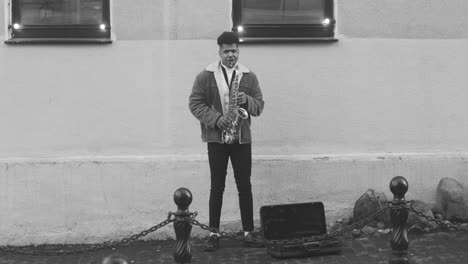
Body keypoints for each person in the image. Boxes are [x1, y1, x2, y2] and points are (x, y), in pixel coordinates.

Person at [189, 31, 264, 251]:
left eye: (234, 51)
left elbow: (259, 106)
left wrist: (247, 100)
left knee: (244, 187)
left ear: (238, 50)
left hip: (241, 140)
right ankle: (213, 233)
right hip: (217, 139)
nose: (231, 55)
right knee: (217, 187)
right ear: (219, 51)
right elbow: (195, 104)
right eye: (227, 51)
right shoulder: (206, 75)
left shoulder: (248, 76)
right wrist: (217, 119)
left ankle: (249, 232)